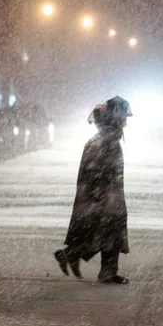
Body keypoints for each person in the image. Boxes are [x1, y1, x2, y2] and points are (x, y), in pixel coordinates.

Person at [54, 96, 132, 284]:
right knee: (107, 231)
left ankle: (98, 268)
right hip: (104, 195)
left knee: (107, 232)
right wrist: (102, 198)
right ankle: (75, 257)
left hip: (106, 194)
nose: (126, 122)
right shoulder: (105, 139)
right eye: (123, 117)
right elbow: (96, 172)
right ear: (114, 117)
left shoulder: (106, 136)